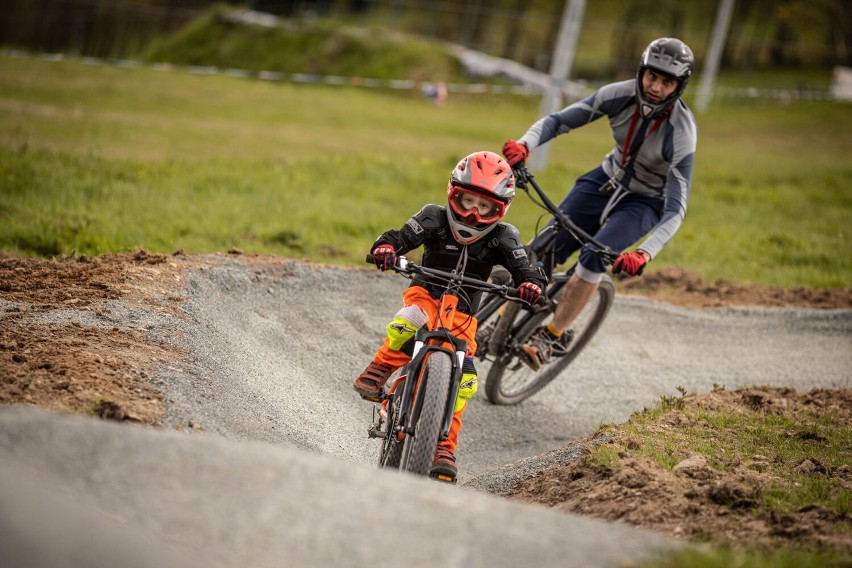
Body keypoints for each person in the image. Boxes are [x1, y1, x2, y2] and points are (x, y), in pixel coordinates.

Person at [501, 37, 698, 371]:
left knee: (595, 257)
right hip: (604, 180)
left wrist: (644, 253)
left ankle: (552, 335)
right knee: (543, 246)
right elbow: (558, 121)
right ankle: (504, 321)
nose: (655, 87)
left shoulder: (682, 132)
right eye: (652, 76)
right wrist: (525, 145)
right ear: (641, 71)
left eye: (667, 82)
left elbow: (676, 209)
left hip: (644, 201)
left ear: (678, 87)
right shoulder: (618, 94)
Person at [353, 150, 546, 481]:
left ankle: (443, 444)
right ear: (453, 193)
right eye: (467, 200)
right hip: (425, 294)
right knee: (409, 319)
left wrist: (531, 284)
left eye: (484, 207)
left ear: (499, 209)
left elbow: (525, 266)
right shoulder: (433, 217)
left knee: (466, 381)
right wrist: (387, 250)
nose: (472, 214)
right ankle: (380, 368)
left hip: (464, 315)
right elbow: (399, 238)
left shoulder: (505, 236)